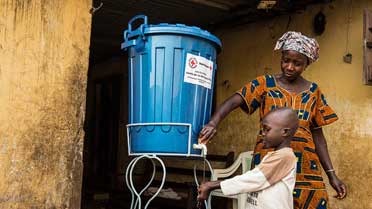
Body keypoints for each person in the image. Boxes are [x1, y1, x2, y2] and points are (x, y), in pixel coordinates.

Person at [199, 31, 347, 208]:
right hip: (269, 162)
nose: (290, 67)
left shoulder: (314, 91)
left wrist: (332, 175)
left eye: (297, 63)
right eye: (286, 60)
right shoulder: (265, 84)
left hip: (307, 170)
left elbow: (318, 137)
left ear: (307, 64)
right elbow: (233, 101)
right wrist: (213, 123)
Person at [198, 107, 299, 209]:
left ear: (285, 132)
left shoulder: (285, 157)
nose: (262, 133)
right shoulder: (276, 156)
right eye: (262, 129)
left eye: (267, 129)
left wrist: (211, 185)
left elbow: (254, 179)